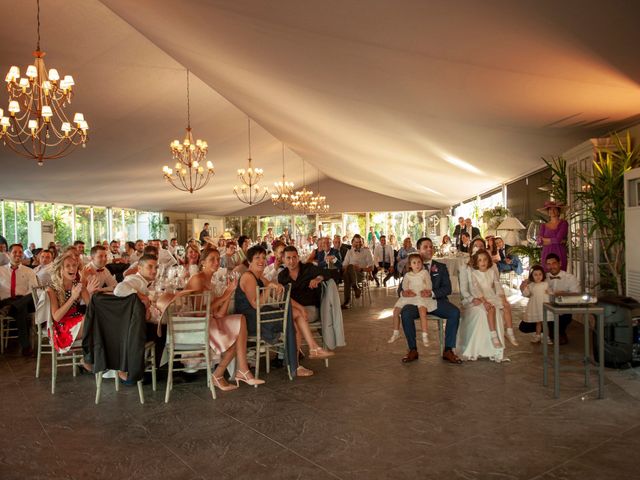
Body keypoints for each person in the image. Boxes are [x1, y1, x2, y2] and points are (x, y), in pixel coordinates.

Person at [186, 248, 264, 391]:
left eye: (218, 259)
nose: (217, 262)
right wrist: (224, 295)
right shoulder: (197, 279)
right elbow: (199, 312)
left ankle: (242, 370)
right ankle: (223, 374)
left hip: (210, 320)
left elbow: (220, 313)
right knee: (235, 337)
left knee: (241, 320)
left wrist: (230, 291)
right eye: (212, 259)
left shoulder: (213, 281)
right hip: (197, 323)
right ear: (203, 262)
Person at [235, 245, 316, 377]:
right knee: (293, 316)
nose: (261, 260)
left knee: (294, 316)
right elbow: (255, 304)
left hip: (261, 317)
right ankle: (297, 363)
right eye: (257, 258)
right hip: (251, 321)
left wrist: (278, 288)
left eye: (263, 257)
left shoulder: (260, 277)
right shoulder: (248, 277)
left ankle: (297, 362)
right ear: (249, 261)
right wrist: (269, 288)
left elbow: (280, 296)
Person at [399, 237, 462, 364]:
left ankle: (448, 349)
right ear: (418, 250)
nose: (429, 249)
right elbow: (400, 289)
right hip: (415, 302)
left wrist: (432, 293)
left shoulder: (441, 267)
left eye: (431, 246)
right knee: (405, 313)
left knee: (454, 312)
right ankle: (413, 349)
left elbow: (447, 288)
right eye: (425, 247)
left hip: (435, 301)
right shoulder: (411, 266)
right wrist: (403, 292)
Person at [278, 246, 337, 363]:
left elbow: (330, 274)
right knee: (294, 319)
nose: (291, 261)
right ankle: (306, 353)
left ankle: (292, 361)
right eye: (288, 258)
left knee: (293, 320)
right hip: (293, 308)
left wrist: (318, 279)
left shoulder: (308, 269)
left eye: (294, 257)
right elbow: (284, 298)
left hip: (310, 309)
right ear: (283, 259)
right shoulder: (282, 276)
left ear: (298, 257)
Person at [519, 253, 578, 344]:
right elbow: (530, 293)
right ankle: (543, 333)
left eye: (554, 263)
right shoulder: (541, 276)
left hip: (561, 310)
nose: (551, 266)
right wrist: (523, 287)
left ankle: (556, 332)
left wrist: (561, 293)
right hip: (542, 308)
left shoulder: (570, 278)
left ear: (560, 263)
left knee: (558, 331)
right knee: (525, 326)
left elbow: (576, 295)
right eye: (548, 264)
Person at [47, 252, 100, 354]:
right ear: (60, 270)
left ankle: (92, 361)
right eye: (67, 266)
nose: (72, 268)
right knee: (92, 322)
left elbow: (91, 308)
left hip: (78, 320)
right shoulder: (51, 289)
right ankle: (90, 361)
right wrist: (73, 297)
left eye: (74, 265)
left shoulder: (79, 286)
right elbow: (56, 317)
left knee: (99, 320)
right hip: (61, 327)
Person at [389, 253, 437, 345]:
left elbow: (429, 284)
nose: (417, 265)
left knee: (422, 311)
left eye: (419, 262)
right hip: (410, 296)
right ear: (410, 265)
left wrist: (427, 290)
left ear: (422, 263)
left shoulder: (424, 273)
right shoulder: (407, 275)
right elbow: (404, 286)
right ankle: (396, 332)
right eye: (414, 263)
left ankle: (425, 334)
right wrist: (407, 292)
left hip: (421, 295)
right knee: (396, 311)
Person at [0, 244, 38, 355]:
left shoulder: (29, 271)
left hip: (22, 300)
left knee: (28, 298)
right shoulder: (1, 271)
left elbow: (33, 290)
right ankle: (25, 347)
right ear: (8, 254)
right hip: (5, 302)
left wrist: (18, 302)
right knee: (21, 310)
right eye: (15, 252)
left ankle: (13, 306)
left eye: (20, 252)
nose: (18, 255)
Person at [468, 250, 506, 348]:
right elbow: (476, 289)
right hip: (480, 297)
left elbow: (497, 285)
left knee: (505, 307)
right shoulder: (474, 274)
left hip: (491, 295)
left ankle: (508, 330)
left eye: (485, 259)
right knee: (491, 309)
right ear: (476, 263)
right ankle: (493, 335)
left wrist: (502, 297)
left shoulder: (492, 272)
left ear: (488, 261)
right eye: (480, 260)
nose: (483, 262)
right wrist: (484, 302)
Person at [341, 235, 374, 309]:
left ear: (362, 242)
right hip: (350, 274)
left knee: (347, 275)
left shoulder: (367, 251)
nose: (358, 244)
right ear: (352, 242)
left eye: (360, 242)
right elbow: (343, 266)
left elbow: (372, 268)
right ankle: (356, 287)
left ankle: (347, 302)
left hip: (361, 274)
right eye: (356, 242)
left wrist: (361, 269)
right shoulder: (349, 252)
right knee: (349, 268)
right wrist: (352, 267)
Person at [522, 265, 551, 344]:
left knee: (545, 322)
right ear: (532, 276)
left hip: (543, 305)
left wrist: (550, 293)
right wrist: (525, 287)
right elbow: (526, 294)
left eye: (540, 274)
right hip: (535, 305)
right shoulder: (531, 285)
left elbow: (550, 292)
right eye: (535, 274)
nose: (538, 276)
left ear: (543, 275)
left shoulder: (545, 284)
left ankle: (546, 337)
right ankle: (537, 336)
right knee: (538, 322)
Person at [537, 201, 569, 271]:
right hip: (546, 253)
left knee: (560, 275)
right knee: (546, 275)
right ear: (548, 212)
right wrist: (556, 241)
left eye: (555, 209)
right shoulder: (543, 225)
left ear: (559, 211)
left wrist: (545, 240)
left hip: (559, 252)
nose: (552, 211)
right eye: (550, 209)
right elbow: (539, 241)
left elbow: (558, 239)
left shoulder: (564, 223)